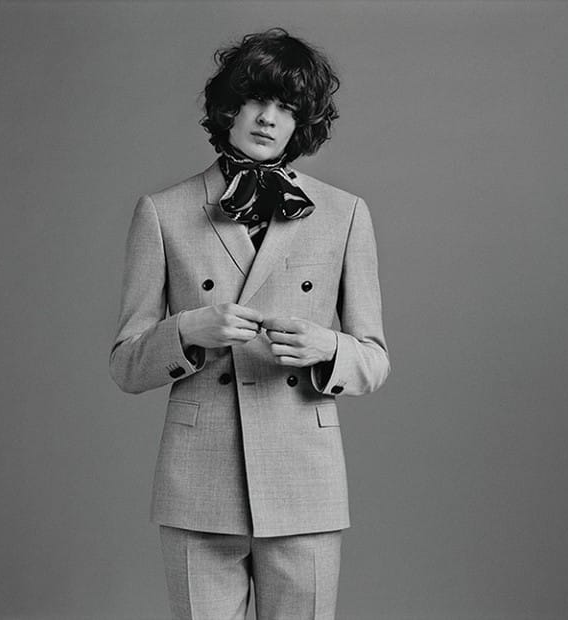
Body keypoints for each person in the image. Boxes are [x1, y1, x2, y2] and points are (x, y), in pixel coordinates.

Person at [110, 27, 390, 620]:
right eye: (258, 100)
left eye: (287, 107)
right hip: (198, 485)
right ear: (229, 107)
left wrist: (326, 346)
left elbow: (374, 359)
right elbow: (126, 366)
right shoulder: (164, 212)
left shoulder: (343, 214)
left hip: (303, 481)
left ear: (301, 123)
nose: (268, 118)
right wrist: (187, 331)